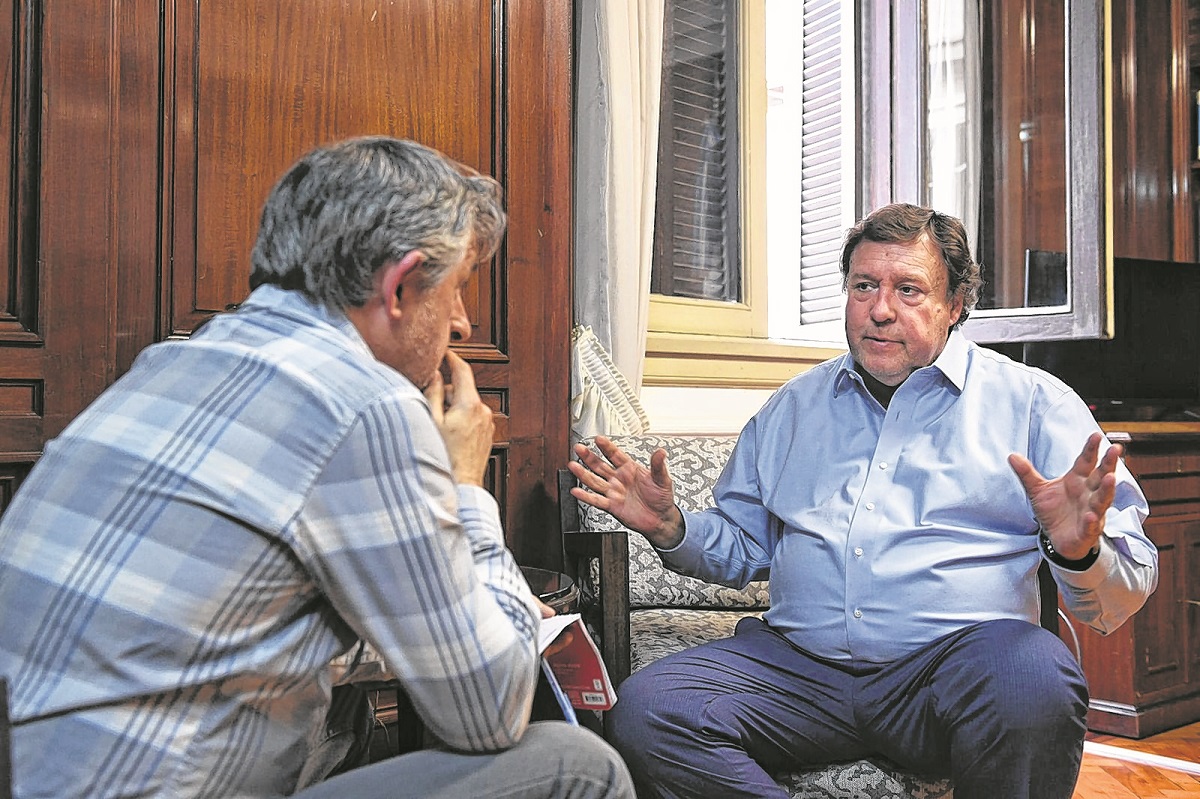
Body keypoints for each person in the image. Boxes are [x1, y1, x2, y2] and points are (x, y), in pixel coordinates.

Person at [0, 136, 633, 799]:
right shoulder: (363, 403)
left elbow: (228, 635)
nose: (465, 324)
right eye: (457, 289)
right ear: (398, 286)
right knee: (576, 765)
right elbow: (491, 711)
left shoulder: (172, 362)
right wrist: (466, 485)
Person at [568, 203, 1158, 799]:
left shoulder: (1035, 405)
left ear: (955, 306)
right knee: (648, 710)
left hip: (947, 674)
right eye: (864, 286)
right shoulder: (794, 407)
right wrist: (672, 528)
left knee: (1036, 677)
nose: (880, 310)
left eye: (908, 289)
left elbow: (1125, 589)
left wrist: (1079, 551)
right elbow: (744, 547)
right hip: (799, 670)